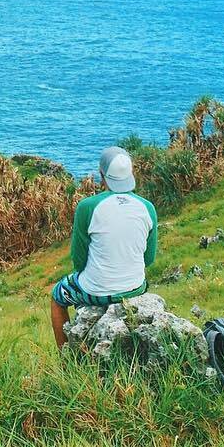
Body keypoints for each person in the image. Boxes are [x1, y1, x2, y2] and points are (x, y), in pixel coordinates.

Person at [50, 146, 158, 348]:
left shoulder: (87, 206)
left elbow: (79, 260)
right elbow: (149, 259)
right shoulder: (147, 207)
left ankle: (65, 357)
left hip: (96, 291)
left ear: (102, 175)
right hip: (135, 288)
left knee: (57, 296)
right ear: (130, 174)